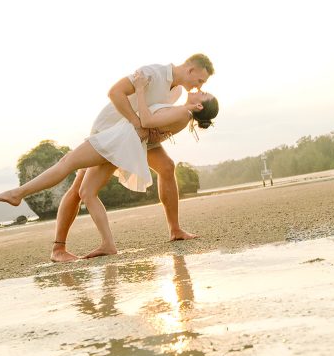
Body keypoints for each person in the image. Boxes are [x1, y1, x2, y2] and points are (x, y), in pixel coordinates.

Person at [0, 71, 219, 261]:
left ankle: (18, 193)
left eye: (204, 91)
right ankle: (107, 244)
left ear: (199, 107)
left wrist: (139, 89)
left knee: (67, 165)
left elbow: (147, 121)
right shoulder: (177, 100)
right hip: (121, 140)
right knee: (85, 191)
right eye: (201, 83)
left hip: (117, 141)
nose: (200, 88)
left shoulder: (182, 112)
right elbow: (151, 125)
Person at [52, 55, 215, 261]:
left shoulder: (177, 91)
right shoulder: (152, 73)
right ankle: (58, 248)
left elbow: (159, 117)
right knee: (79, 189)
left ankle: (175, 230)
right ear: (191, 70)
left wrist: (158, 133)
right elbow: (114, 92)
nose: (198, 87)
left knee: (166, 166)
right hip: (112, 130)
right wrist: (138, 122)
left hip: (140, 136)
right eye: (200, 81)